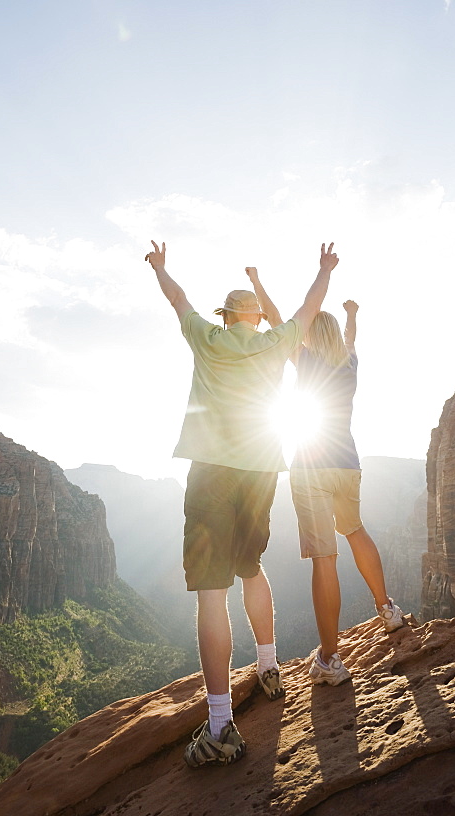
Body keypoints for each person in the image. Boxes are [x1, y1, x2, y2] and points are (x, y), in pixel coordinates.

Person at [145, 240, 338, 767]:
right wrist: (324, 269)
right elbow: (309, 307)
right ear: (254, 315)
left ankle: (220, 725)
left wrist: (161, 267)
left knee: (212, 593)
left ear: (226, 316)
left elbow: (177, 298)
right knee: (251, 565)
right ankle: (270, 666)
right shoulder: (275, 342)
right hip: (260, 472)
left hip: (211, 472)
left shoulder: (208, 338)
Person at [246, 271, 405, 687]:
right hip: (348, 464)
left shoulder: (307, 359)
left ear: (312, 335)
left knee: (324, 558)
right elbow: (351, 337)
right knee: (355, 530)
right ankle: (388, 609)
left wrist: (258, 284)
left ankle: (330, 659)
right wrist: (352, 313)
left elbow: (283, 320)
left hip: (312, 468)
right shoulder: (350, 362)